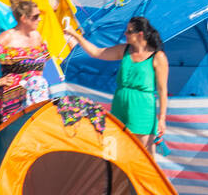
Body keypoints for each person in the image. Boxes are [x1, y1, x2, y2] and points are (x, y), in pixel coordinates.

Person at [65, 16, 168, 150]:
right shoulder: (124, 50)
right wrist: (75, 35)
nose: (125, 34)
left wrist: (162, 118)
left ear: (140, 34)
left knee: (144, 152)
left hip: (142, 108)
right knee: (117, 149)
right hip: (120, 105)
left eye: (129, 31)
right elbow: (96, 52)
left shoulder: (158, 57)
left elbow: (162, 90)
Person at [0, 0, 52, 127]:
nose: (39, 19)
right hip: (11, 99)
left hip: (35, 97)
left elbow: (44, 64)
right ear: (23, 18)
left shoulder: (36, 36)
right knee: (9, 138)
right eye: (35, 16)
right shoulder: (8, 37)